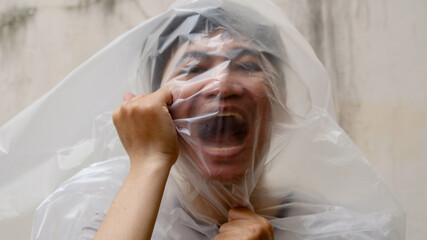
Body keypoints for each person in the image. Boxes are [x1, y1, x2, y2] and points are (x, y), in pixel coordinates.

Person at [1, 0, 404, 239]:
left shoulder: (345, 232)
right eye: (193, 68)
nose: (223, 83)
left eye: (247, 64)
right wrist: (148, 163)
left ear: (279, 99)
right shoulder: (94, 216)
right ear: (155, 103)